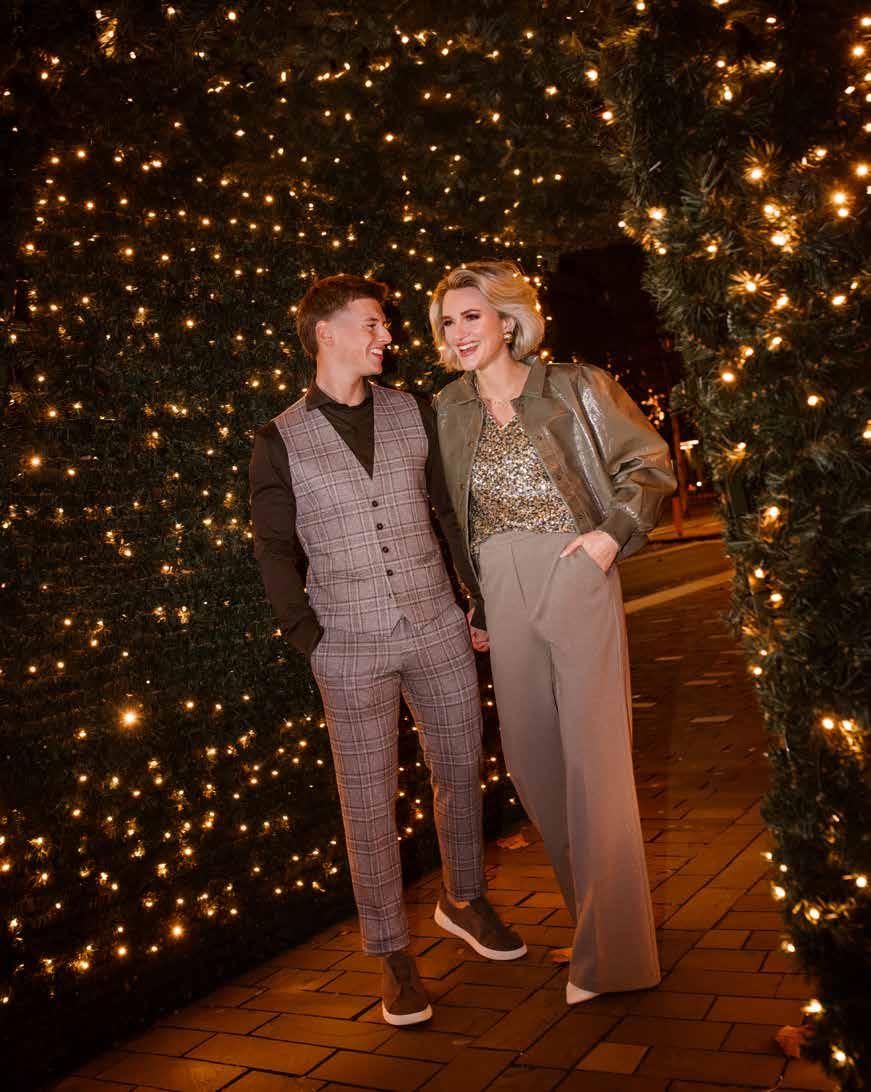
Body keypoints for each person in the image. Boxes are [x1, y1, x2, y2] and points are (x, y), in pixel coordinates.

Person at [249, 273, 525, 1028]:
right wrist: (309, 638)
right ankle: (391, 952)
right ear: (326, 332)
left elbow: (448, 512)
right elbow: (272, 549)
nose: (387, 336)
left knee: (461, 766)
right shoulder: (278, 440)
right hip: (347, 642)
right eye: (372, 324)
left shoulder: (413, 410)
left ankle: (464, 900)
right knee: (368, 799)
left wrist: (474, 597)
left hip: (435, 622)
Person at [430, 260, 676, 1004]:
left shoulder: (575, 386)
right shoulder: (446, 408)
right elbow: (450, 517)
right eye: (446, 321)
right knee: (534, 763)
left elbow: (648, 464)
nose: (457, 332)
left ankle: (614, 959)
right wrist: (476, 600)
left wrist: (610, 536)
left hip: (573, 567)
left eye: (471, 316)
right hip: (499, 585)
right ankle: (594, 921)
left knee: (594, 765)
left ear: (508, 320)